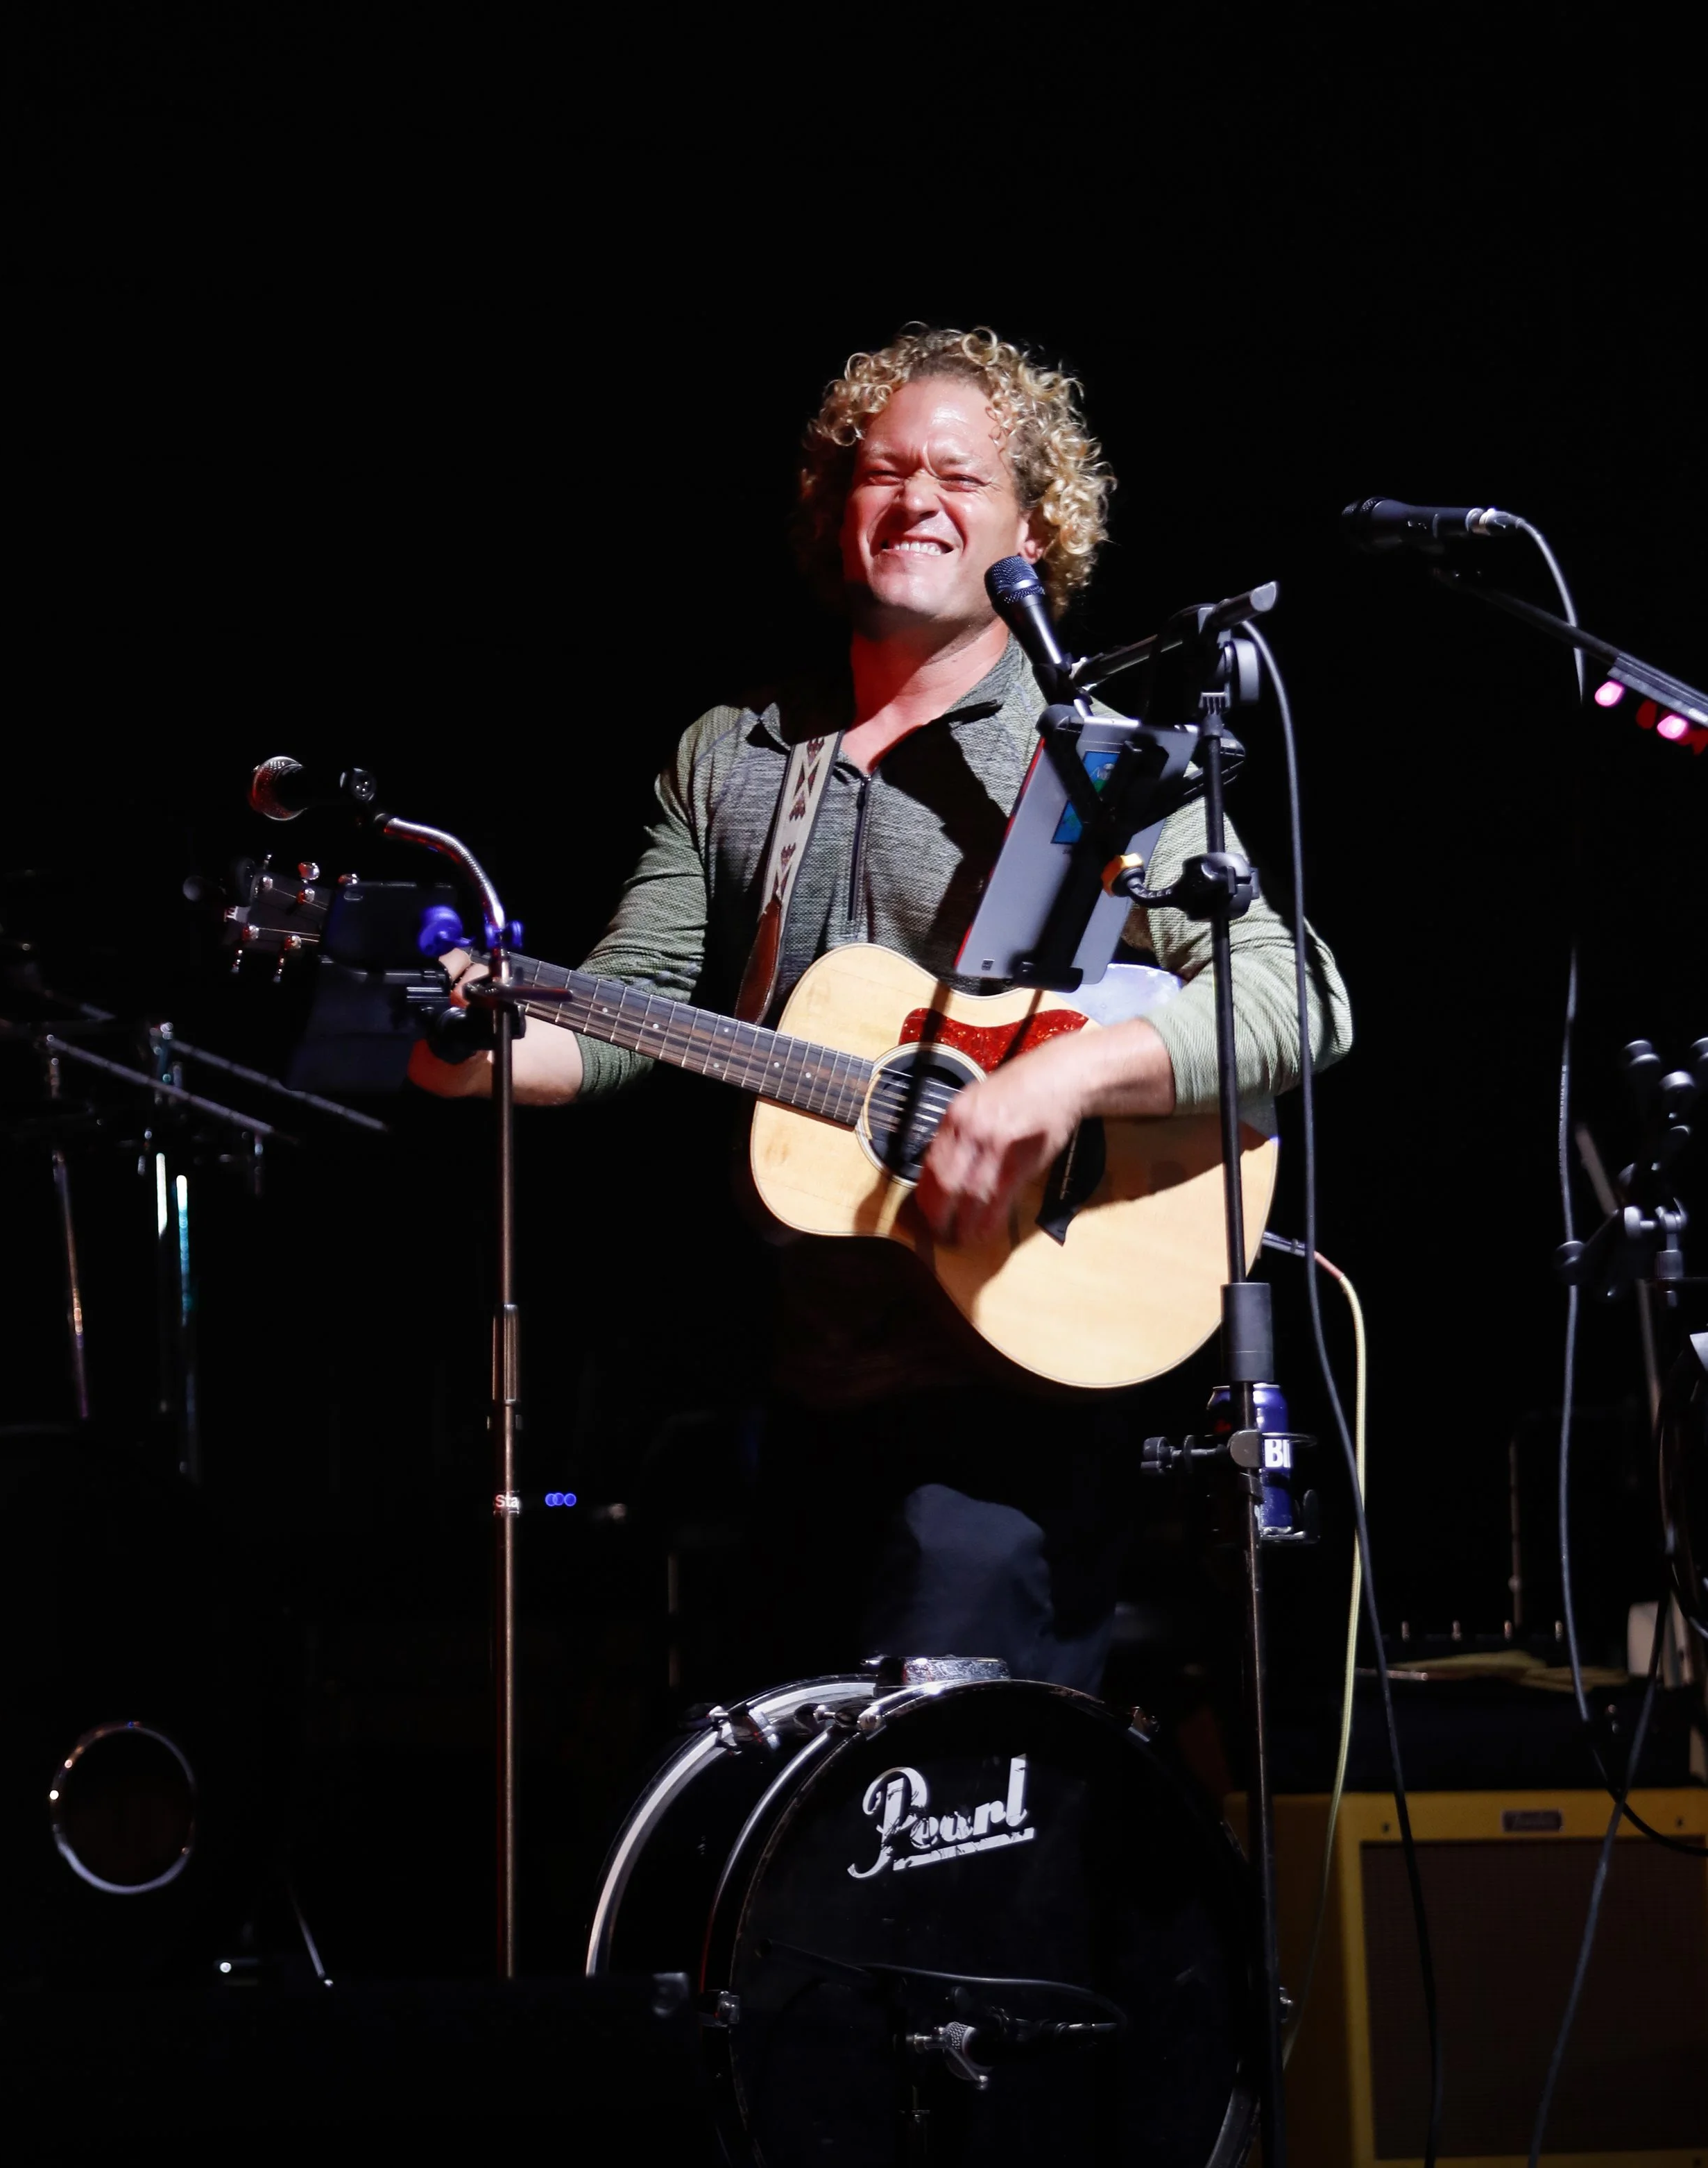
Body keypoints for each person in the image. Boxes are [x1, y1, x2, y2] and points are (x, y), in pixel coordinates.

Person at [411, 326, 1351, 1693]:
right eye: (881, 470)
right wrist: (470, 1040)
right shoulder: (735, 755)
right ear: (830, 507)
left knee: (947, 1839)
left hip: (1020, 1403)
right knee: (781, 1832)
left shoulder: (1086, 761)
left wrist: (1049, 1086)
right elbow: (623, 1011)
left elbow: (1293, 994)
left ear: (1036, 526)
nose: (912, 497)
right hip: (802, 1395)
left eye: (957, 477)